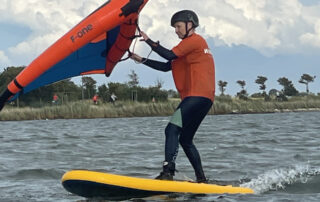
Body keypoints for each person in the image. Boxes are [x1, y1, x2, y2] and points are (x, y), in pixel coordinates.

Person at [130, 10, 215, 183]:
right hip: (203, 99)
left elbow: (169, 54)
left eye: (178, 26)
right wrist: (141, 60)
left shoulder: (194, 41)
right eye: (174, 27)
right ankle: (202, 180)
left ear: (190, 25)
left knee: (171, 130)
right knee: (185, 139)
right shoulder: (188, 50)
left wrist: (148, 41)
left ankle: (168, 172)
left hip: (195, 97)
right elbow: (166, 66)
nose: (175, 30)